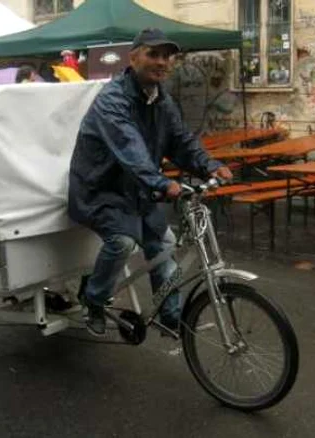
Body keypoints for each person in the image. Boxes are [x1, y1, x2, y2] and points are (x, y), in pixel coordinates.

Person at [68, 28, 233, 336]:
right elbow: (130, 148)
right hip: (100, 190)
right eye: (153, 54)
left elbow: (181, 141)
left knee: (165, 244)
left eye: (167, 56)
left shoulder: (161, 100)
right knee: (122, 242)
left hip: (137, 191)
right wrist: (162, 183)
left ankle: (170, 316)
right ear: (133, 57)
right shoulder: (113, 99)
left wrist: (209, 165)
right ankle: (93, 299)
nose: (162, 62)